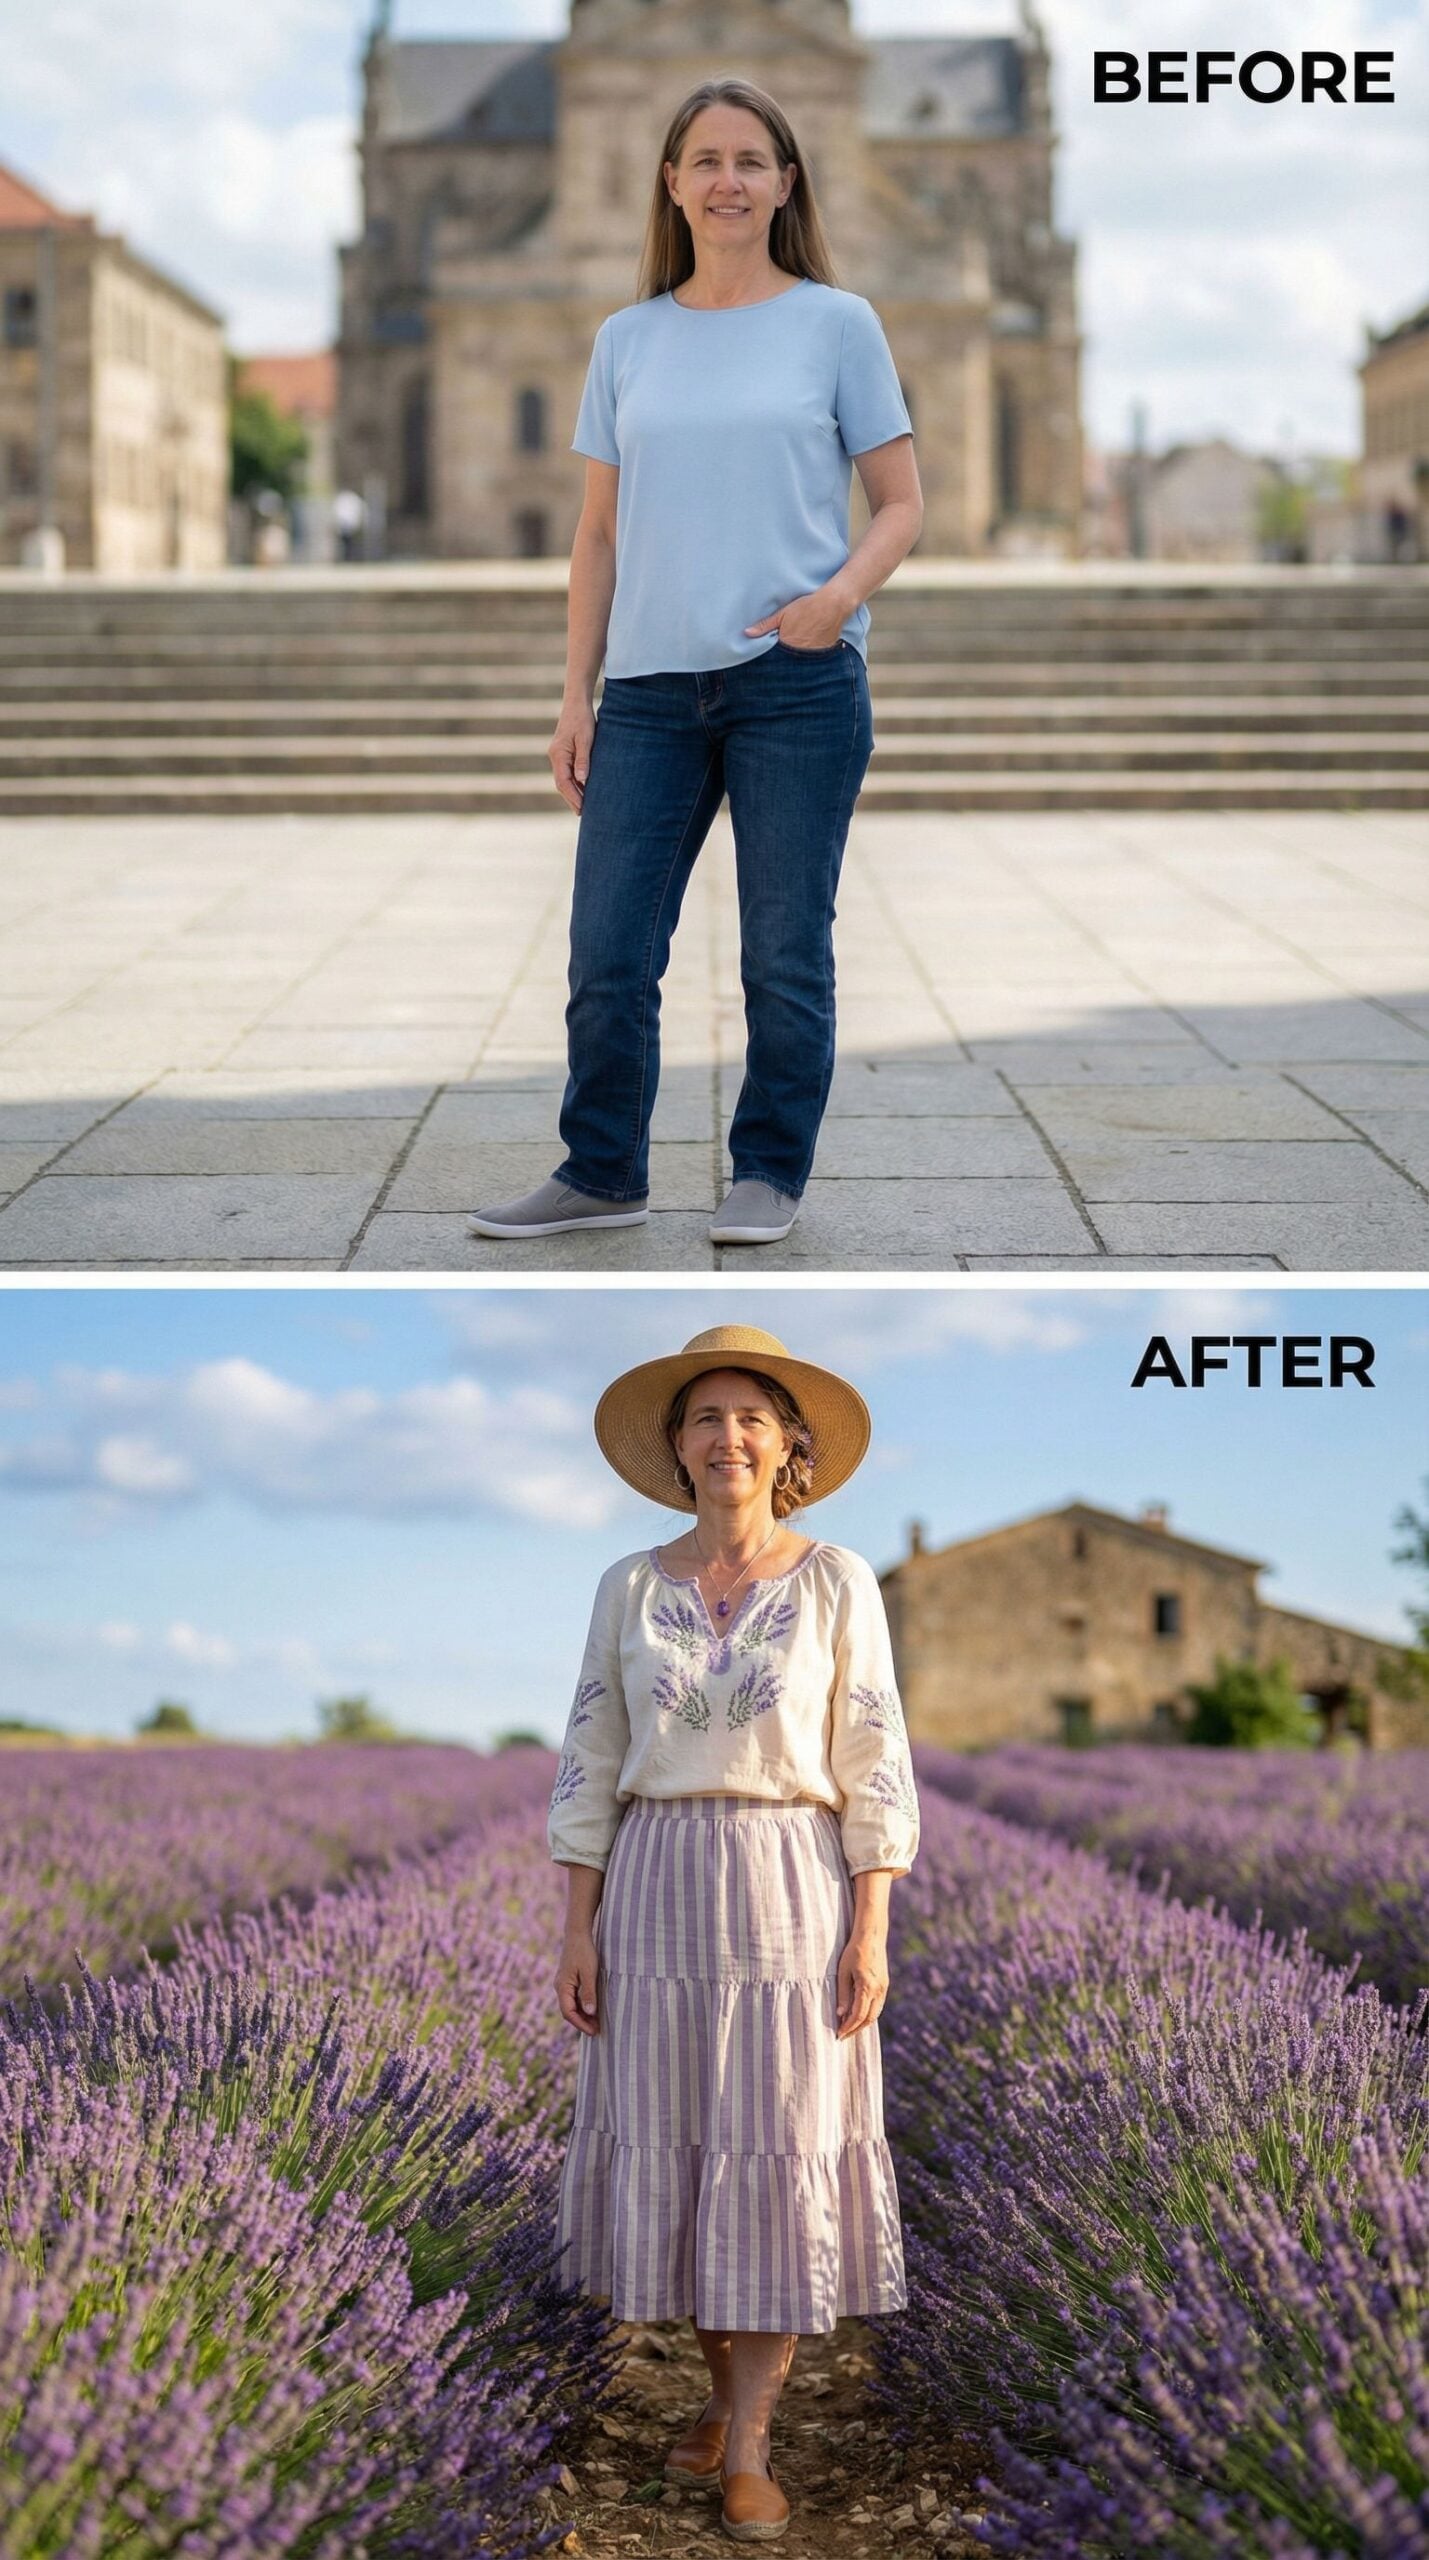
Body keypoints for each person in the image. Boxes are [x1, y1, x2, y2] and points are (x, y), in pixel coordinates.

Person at [470, 77, 923, 1253]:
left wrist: (834, 601)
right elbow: (598, 535)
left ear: (785, 184)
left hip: (795, 684)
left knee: (783, 954)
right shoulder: (628, 339)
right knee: (607, 953)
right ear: (669, 181)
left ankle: (767, 1172)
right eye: (705, 160)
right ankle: (600, 1169)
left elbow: (901, 503)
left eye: (752, 161)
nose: (728, 180)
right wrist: (575, 695)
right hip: (651, 693)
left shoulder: (838, 322)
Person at [547, 1323, 920, 2543]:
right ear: (676, 1447)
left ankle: (750, 2443)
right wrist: (577, 1927)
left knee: (772, 2144)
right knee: (686, 2146)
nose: (728, 1436)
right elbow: (592, 1756)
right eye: (704, 1417)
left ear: (789, 1445)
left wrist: (870, 1928)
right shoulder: (627, 1583)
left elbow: (873, 1761)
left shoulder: (836, 1579)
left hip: (787, 1881)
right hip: (655, 1876)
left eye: (751, 1416)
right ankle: (716, 2396)